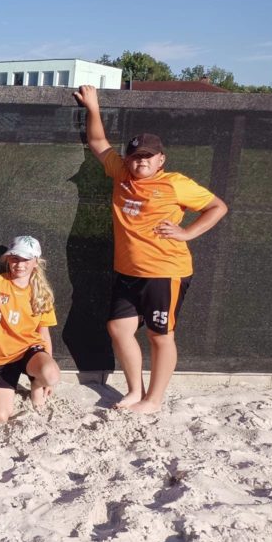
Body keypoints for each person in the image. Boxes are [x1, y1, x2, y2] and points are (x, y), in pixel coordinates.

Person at [74, 85, 229, 413]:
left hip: (165, 273)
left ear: (160, 159)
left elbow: (218, 207)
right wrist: (93, 107)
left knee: (160, 336)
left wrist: (187, 233)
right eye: (135, 156)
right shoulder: (121, 174)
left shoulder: (175, 183)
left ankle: (154, 400)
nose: (140, 161)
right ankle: (134, 391)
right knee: (118, 328)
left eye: (147, 156)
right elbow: (98, 143)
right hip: (128, 271)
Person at [0, 235, 61, 424]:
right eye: (15, 258)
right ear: (8, 259)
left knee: (51, 375)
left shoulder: (42, 292)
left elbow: (44, 333)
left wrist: (46, 375)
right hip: (1, 358)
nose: (20, 264)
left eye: (26, 259)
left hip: (30, 351)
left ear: (36, 262)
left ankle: (36, 383)